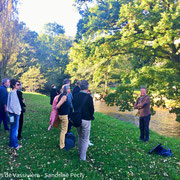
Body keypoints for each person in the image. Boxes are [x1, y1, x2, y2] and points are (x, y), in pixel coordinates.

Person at [73, 80, 94, 161]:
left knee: (80, 136)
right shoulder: (89, 97)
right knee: (85, 138)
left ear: (80, 87)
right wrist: (91, 116)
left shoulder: (75, 95)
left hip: (77, 118)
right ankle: (82, 158)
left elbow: (74, 106)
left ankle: (79, 152)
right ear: (87, 87)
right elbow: (91, 109)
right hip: (86, 119)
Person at [7, 79, 22, 149]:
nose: (19, 86)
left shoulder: (11, 92)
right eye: (17, 84)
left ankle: (11, 144)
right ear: (13, 85)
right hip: (14, 114)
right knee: (15, 130)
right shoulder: (13, 93)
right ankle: (16, 145)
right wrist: (18, 112)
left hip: (11, 114)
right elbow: (13, 105)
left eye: (19, 84)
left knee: (12, 129)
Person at [56, 85, 71, 150]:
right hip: (63, 115)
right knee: (64, 130)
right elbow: (57, 106)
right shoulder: (64, 96)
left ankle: (61, 143)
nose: (70, 89)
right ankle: (62, 146)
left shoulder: (62, 95)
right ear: (66, 89)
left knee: (63, 129)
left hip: (63, 115)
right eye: (69, 88)